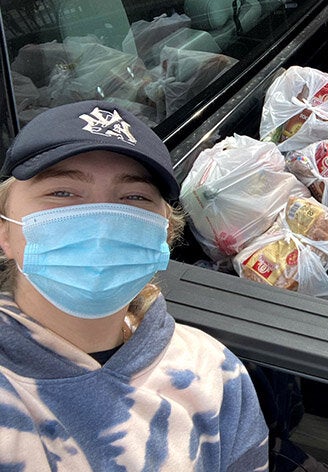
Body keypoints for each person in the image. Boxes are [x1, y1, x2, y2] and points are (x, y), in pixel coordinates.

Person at [0, 101, 270, 470]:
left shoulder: (215, 373)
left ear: (165, 231)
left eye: (134, 198)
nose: (102, 222)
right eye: (62, 192)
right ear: (4, 230)